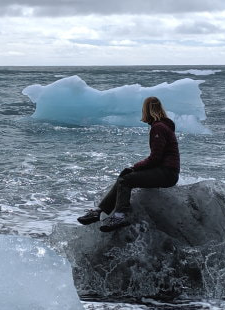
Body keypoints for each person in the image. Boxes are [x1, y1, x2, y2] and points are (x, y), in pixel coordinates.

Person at [77, 96, 180, 232]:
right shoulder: (163, 126)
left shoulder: (158, 128)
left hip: (167, 173)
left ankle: (120, 216)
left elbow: (155, 158)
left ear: (147, 110)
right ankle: (99, 211)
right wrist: (133, 169)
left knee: (126, 180)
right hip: (166, 171)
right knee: (125, 176)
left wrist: (134, 167)